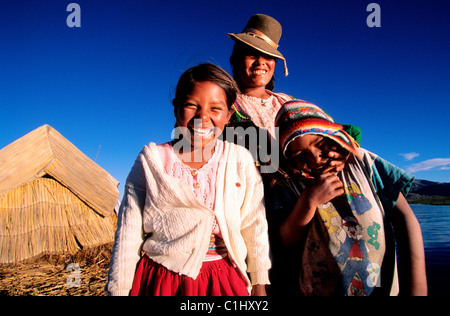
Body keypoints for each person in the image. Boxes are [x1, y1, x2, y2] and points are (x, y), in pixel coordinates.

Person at [106, 63, 271, 296]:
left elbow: (254, 226)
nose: (203, 117)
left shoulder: (239, 160)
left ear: (228, 116)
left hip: (223, 280)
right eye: (192, 106)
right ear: (176, 109)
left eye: (215, 109)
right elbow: (128, 233)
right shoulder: (151, 160)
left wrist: (259, 283)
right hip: (162, 279)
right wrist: (119, 290)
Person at [267, 100, 427, 296]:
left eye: (319, 143)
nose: (315, 158)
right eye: (300, 154)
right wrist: (309, 201)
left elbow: (405, 220)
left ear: (335, 136)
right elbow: (287, 242)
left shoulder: (364, 163)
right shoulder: (289, 184)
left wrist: (417, 289)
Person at [227, 13, 361, 174]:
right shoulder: (223, 103)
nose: (260, 61)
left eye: (268, 56)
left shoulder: (289, 102)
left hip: (312, 187)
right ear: (236, 58)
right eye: (252, 53)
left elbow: (339, 131)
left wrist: (341, 153)